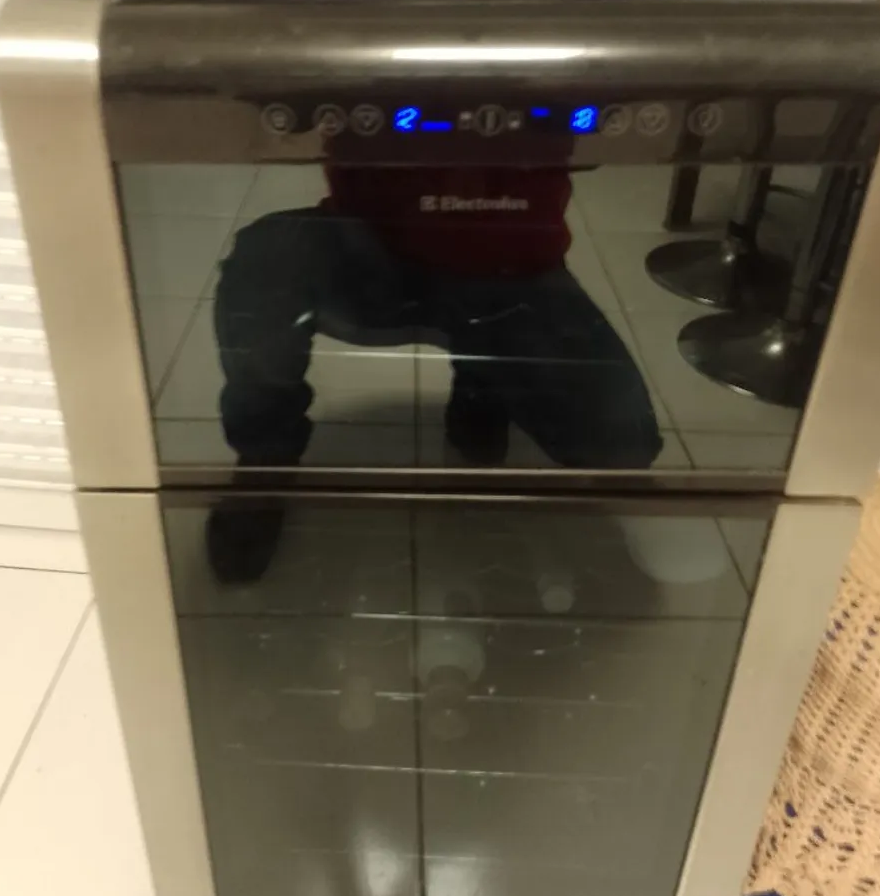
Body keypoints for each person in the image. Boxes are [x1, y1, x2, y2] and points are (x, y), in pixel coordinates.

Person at [208, 157, 663, 582]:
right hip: (374, 242)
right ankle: (265, 455)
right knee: (266, 263)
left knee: (621, 446)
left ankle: (481, 381)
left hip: (509, 262)